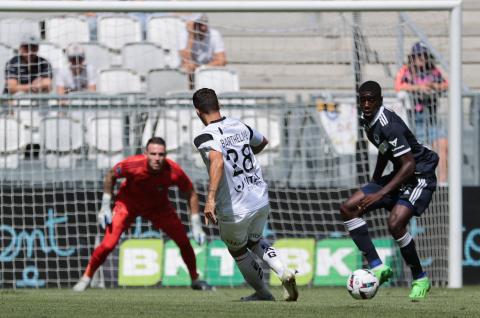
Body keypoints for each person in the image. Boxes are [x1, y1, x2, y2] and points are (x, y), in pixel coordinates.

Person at [192, 88, 298, 302]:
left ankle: (263, 293)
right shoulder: (239, 125)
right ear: (218, 105)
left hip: (235, 207)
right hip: (259, 197)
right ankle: (282, 270)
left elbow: (218, 161)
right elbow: (263, 142)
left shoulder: (204, 136)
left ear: (197, 112)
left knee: (238, 250)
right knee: (255, 240)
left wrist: (210, 199)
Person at [340, 81, 439, 301]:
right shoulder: (367, 121)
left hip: (419, 175)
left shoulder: (388, 123)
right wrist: (374, 181)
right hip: (400, 172)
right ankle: (377, 267)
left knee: (395, 224)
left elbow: (409, 164)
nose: (366, 103)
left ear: (380, 100)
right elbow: (385, 151)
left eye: (371, 99)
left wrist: (380, 192)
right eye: (363, 99)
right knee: (348, 208)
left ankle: (420, 278)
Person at [73, 137, 212, 291]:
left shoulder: (173, 171)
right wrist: (105, 206)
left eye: (161, 154)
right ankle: (86, 277)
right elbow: (111, 175)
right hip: (128, 205)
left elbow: (190, 192)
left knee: (184, 242)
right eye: (153, 154)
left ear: (165, 155)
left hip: (159, 208)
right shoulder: (132, 164)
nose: (157, 158)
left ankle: (195, 279)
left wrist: (196, 225)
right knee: (108, 244)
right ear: (146, 153)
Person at [395, 41, 448, 184]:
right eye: (418, 55)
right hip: (414, 119)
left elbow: (446, 84)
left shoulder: (433, 70)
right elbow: (398, 86)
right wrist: (419, 87)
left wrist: (433, 86)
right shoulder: (406, 70)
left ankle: (443, 183)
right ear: (412, 57)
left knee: (443, 145)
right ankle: (411, 182)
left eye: (424, 55)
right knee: (413, 152)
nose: (421, 59)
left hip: (431, 117)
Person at [179, 14, 226, 87]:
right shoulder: (184, 34)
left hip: (208, 68)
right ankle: (190, 93)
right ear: (193, 25)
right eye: (200, 24)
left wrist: (201, 68)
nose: (203, 27)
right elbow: (185, 60)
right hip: (191, 71)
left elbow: (222, 60)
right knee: (187, 67)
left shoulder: (215, 34)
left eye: (205, 23)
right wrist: (191, 36)